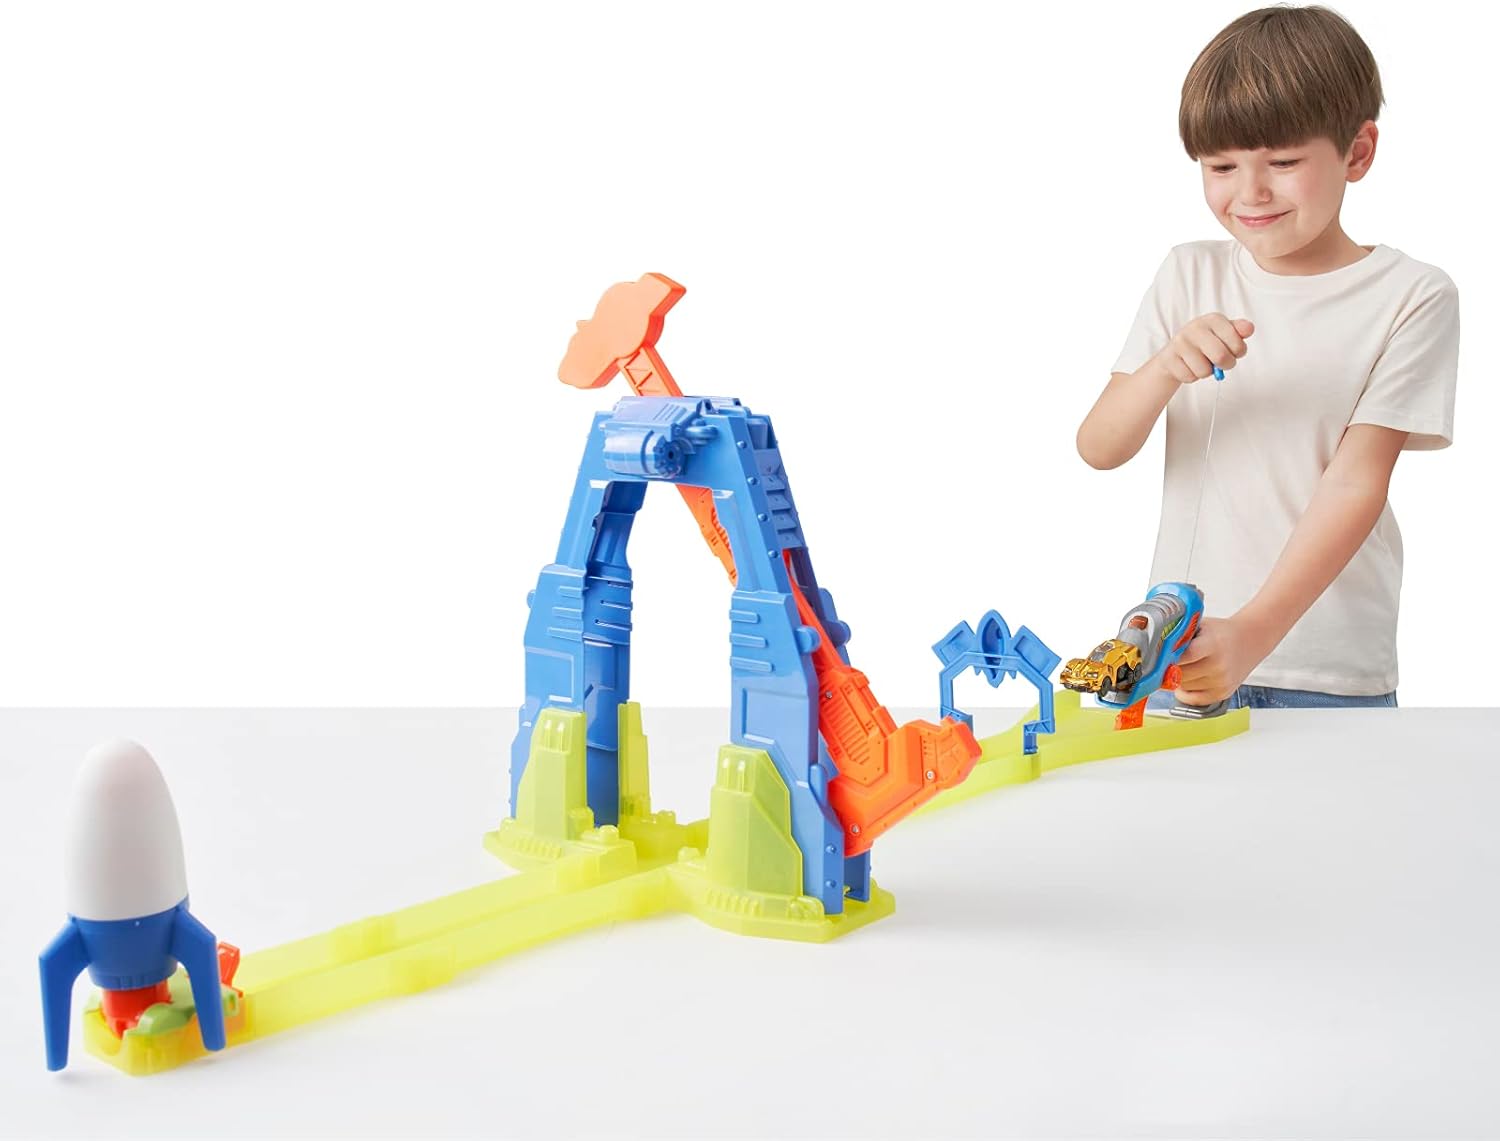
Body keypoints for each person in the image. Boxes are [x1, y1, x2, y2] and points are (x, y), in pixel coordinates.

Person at [1076, 5, 1459, 711]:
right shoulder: (1188, 273)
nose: (1250, 192)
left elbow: (1356, 483)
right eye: (1221, 166)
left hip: (1327, 669)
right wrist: (1165, 367)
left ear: (1358, 152)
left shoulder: (1411, 295)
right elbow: (1099, 447)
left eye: (1282, 162)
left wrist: (1253, 633)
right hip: (1180, 660)